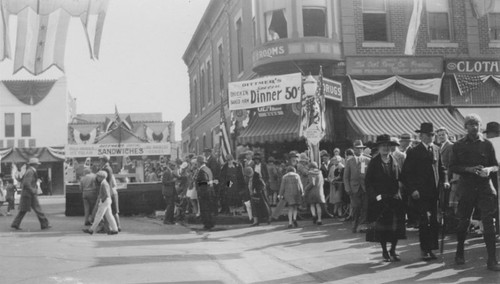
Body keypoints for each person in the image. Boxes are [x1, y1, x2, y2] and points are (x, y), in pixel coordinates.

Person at [449, 114, 500, 271]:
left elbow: (496, 165)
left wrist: (488, 169)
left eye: (477, 124)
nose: (474, 127)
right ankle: (459, 253)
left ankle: (492, 260)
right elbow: (452, 167)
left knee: (488, 223)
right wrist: (469, 170)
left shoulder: (487, 144)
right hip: (467, 187)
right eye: (471, 124)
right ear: (465, 127)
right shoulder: (458, 145)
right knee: (464, 221)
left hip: (485, 186)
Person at [402, 122, 447, 261]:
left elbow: (442, 167)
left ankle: (431, 248)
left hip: (434, 192)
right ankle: (424, 249)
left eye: (433, 135)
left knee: (434, 221)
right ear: (421, 136)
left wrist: (445, 180)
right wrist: (413, 189)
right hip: (420, 193)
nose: (431, 137)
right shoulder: (414, 151)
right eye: (428, 135)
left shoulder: (436, 149)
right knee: (424, 221)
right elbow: (406, 174)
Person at [365, 134, 406, 262]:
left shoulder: (394, 160)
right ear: (378, 148)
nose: (385, 148)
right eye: (383, 146)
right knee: (382, 228)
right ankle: (384, 251)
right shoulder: (374, 162)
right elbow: (368, 182)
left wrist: (399, 191)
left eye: (388, 146)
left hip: (394, 199)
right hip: (380, 200)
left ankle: (393, 250)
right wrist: (376, 196)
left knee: (396, 228)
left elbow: (399, 178)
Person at [11, 158, 50, 230]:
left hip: (27, 194)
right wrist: (33, 190)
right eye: (37, 164)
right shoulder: (31, 172)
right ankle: (44, 224)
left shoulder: (30, 171)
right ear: (35, 165)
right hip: (29, 194)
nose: (38, 166)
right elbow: (26, 183)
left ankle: (15, 223)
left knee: (24, 210)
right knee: (37, 209)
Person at [344, 140, 371, 233]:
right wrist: (347, 188)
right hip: (354, 189)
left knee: (365, 207)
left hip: (365, 188)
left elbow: (370, 176)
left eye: (361, 148)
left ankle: (362, 225)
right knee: (356, 207)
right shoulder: (349, 161)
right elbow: (346, 177)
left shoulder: (367, 160)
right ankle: (355, 223)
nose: (359, 150)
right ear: (354, 149)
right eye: (357, 148)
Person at [83, 171, 118, 235]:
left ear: (102, 177)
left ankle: (91, 230)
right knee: (109, 216)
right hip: (107, 200)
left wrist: (102, 201)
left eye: (98, 176)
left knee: (98, 215)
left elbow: (106, 194)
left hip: (104, 201)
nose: (97, 178)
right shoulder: (104, 183)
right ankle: (115, 229)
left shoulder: (103, 184)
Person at [196, 155, 216, 230]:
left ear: (199, 162)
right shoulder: (208, 169)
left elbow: (204, 182)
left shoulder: (202, 171)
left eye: (197, 162)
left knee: (204, 209)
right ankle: (210, 223)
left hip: (204, 192)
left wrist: (198, 185)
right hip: (209, 191)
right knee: (209, 208)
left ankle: (207, 224)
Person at [204, 148, 220, 213]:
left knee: (213, 195)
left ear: (209, 152)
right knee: (210, 195)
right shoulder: (208, 159)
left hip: (213, 180)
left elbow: (213, 170)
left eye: (206, 152)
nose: (205, 153)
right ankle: (212, 210)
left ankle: (214, 211)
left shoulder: (212, 160)